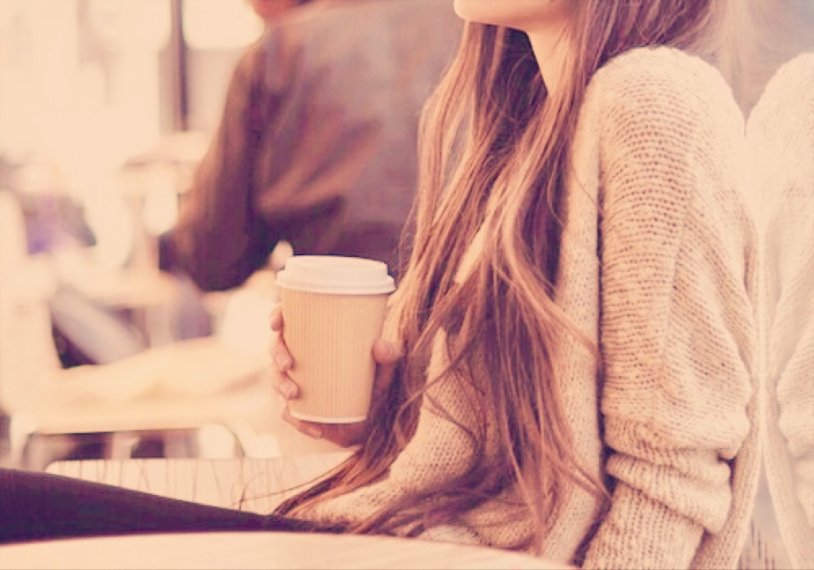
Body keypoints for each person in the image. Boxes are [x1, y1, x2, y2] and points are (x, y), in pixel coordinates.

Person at [269, 0, 758, 568]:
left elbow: (671, 480)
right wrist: (382, 411)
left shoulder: (657, 101)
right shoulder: (528, 121)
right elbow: (505, 467)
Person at [162, 0, 462, 290]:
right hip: (476, 323)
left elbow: (211, 259)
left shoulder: (280, 52)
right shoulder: (478, 32)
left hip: (338, 323)